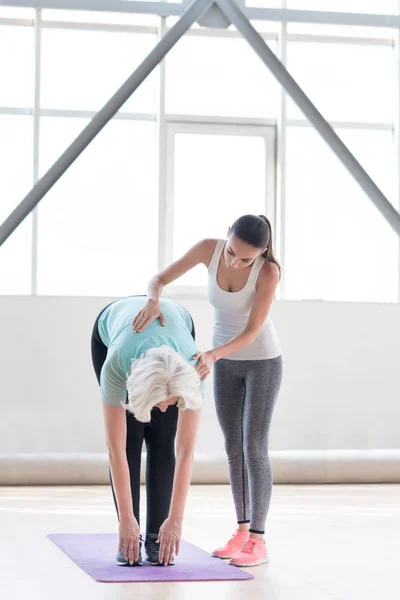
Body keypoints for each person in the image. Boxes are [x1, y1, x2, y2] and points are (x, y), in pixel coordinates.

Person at [132, 214, 282, 568]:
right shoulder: (207, 250)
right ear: (227, 234)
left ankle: (258, 539)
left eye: (246, 259)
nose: (234, 262)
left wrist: (212, 354)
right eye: (232, 252)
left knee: (254, 446)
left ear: (260, 254)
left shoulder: (268, 272)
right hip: (223, 363)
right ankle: (241, 531)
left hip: (261, 361)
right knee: (232, 447)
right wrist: (153, 299)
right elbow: (159, 279)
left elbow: (251, 331)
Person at [91, 295, 203, 567]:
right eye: (158, 403)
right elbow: (114, 449)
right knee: (129, 440)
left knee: (164, 438)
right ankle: (130, 534)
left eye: (171, 402)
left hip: (178, 324)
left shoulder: (193, 371)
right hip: (113, 332)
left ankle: (156, 537)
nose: (164, 409)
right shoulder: (117, 362)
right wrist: (127, 519)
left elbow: (185, 451)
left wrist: (176, 519)